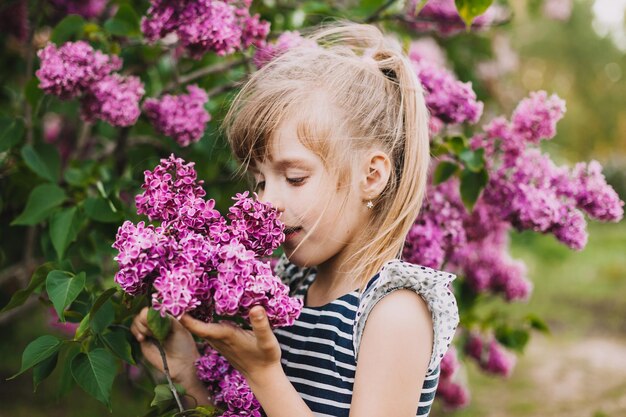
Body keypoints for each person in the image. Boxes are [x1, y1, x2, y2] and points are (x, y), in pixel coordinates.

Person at [131, 20, 459, 417]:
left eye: (294, 177)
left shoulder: (395, 313)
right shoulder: (288, 290)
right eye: (259, 182)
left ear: (371, 176)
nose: (267, 202)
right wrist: (188, 375)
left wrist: (263, 373)